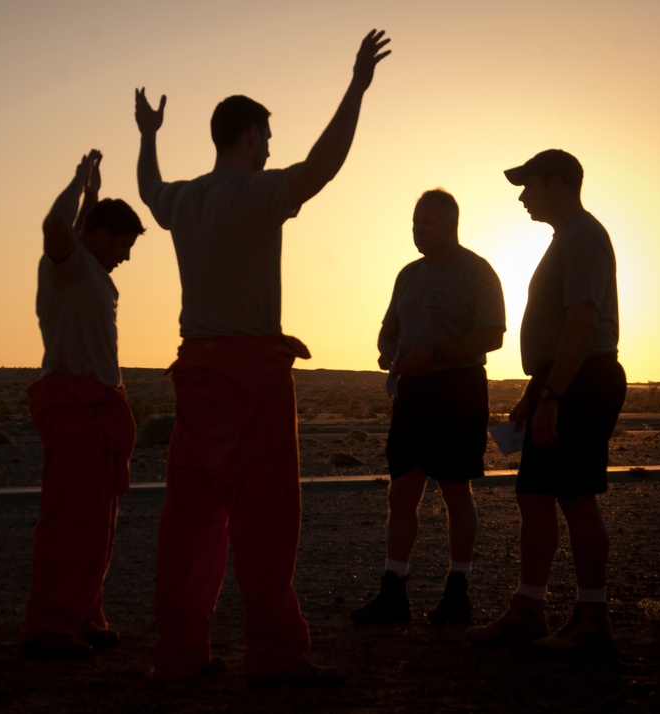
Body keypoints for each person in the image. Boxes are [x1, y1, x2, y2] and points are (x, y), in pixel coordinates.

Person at [134, 29, 392, 687]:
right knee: (266, 525)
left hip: (196, 377)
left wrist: (147, 134)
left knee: (188, 526)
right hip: (252, 379)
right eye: (267, 137)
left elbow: (149, 187)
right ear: (248, 136)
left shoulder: (184, 201)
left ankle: (179, 656)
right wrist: (357, 87)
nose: (271, 148)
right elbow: (323, 165)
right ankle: (276, 657)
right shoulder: (259, 194)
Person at [466, 150, 626, 654]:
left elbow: (582, 323)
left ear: (557, 183)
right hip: (562, 382)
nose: (521, 196)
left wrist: (553, 394)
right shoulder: (569, 239)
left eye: (529, 184)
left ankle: (592, 618)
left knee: (577, 496)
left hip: (582, 382)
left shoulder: (582, 237)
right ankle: (528, 610)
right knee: (535, 494)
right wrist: (536, 394)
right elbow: (564, 327)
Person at [351, 189, 505, 628]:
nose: (418, 230)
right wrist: (387, 353)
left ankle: (458, 593)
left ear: (452, 224)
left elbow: (492, 336)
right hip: (412, 392)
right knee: (402, 492)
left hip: (457, 389)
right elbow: (388, 329)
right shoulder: (408, 275)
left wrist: (435, 355)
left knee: (456, 491)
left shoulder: (477, 272)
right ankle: (393, 591)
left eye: (427, 223)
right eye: (415, 222)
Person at [18, 150, 145, 660]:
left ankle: (84, 615)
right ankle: (49, 628)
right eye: (125, 243)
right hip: (74, 411)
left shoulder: (89, 270)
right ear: (97, 235)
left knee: (97, 528)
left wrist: (93, 196)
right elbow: (56, 224)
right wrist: (77, 179)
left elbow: (80, 229)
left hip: (100, 415)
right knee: (69, 523)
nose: (128, 256)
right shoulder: (64, 269)